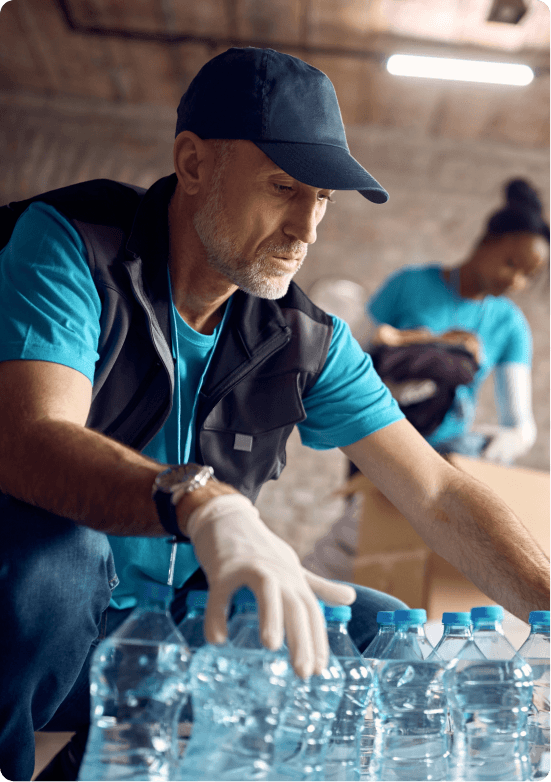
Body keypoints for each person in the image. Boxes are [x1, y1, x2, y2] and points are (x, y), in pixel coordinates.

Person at [0, 48, 548, 782]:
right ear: (193, 165)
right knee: (60, 558)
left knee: (366, 626)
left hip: (176, 633)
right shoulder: (72, 246)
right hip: (44, 629)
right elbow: (32, 439)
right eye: (283, 187)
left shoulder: (303, 337)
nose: (306, 229)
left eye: (322, 199)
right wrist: (206, 506)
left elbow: (437, 492)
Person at [366, 178, 549, 464]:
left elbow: (521, 427)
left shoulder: (510, 324)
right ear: (488, 239)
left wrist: (504, 441)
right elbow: (352, 358)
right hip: (379, 435)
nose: (515, 281)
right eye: (511, 264)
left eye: (528, 276)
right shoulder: (409, 284)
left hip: (445, 454)